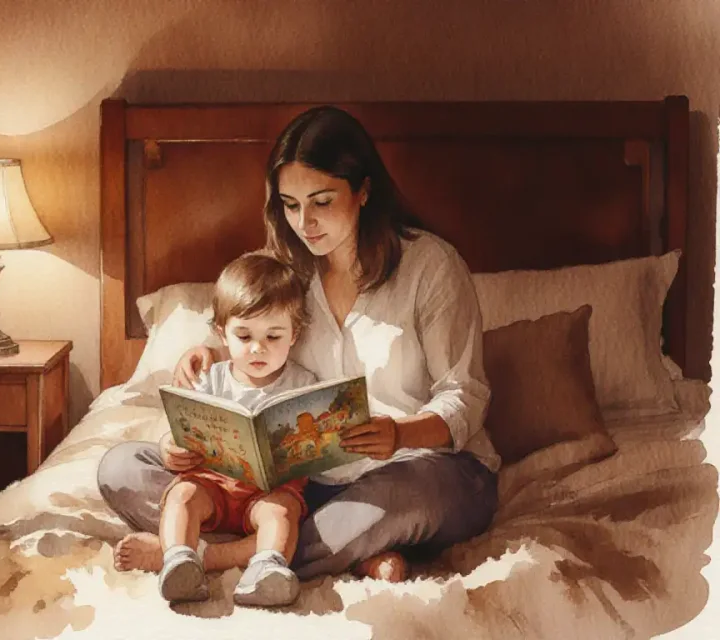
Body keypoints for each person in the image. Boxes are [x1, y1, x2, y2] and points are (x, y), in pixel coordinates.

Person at [98, 105, 500, 587]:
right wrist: (207, 348)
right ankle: (349, 553)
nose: (304, 222)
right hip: (312, 487)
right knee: (122, 467)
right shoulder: (287, 265)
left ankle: (199, 555)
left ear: (364, 191)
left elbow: (467, 396)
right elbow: (237, 319)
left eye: (322, 201)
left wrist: (398, 434)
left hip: (422, 472)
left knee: (396, 497)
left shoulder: (429, 267)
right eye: (290, 204)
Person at [154, 252, 317, 606]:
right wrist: (171, 446)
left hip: (270, 490)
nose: (258, 348)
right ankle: (179, 561)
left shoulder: (304, 385)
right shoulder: (208, 379)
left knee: (282, 512)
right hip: (212, 484)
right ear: (220, 333)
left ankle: (268, 568)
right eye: (243, 335)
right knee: (181, 496)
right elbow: (177, 429)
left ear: (295, 334)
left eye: (274, 336)